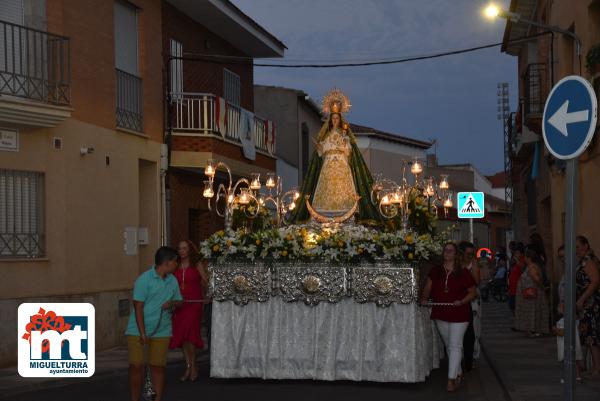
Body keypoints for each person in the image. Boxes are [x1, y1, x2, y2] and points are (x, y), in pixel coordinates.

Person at [290, 88, 381, 224]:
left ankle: (347, 210)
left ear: (340, 119)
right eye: (333, 118)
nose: (335, 120)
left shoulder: (344, 135)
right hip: (327, 166)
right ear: (330, 120)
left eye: (337, 118)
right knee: (325, 188)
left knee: (344, 188)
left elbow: (349, 151)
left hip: (342, 165)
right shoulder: (326, 136)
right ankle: (323, 211)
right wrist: (320, 149)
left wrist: (343, 144)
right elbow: (321, 153)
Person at [126, 246, 183, 401]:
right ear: (168, 262)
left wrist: (172, 303)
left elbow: (179, 301)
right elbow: (138, 307)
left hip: (162, 330)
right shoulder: (144, 280)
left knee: (158, 366)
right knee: (137, 366)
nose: (177, 265)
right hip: (138, 330)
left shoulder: (173, 280)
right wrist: (142, 333)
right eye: (175, 262)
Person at [421, 242, 478, 392]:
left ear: (456, 254)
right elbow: (428, 287)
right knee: (449, 345)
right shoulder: (436, 270)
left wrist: (462, 301)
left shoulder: (463, 272)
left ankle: (451, 379)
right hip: (441, 312)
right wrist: (425, 299)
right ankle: (458, 372)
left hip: (459, 313)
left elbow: (473, 292)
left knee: (455, 344)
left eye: (451, 250)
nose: (447, 252)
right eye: (445, 250)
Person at [170, 240, 208, 382]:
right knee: (183, 337)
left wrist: (207, 295)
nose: (182, 251)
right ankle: (188, 365)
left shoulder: (196, 264)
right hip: (180, 304)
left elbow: (205, 281)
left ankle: (193, 366)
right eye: (180, 249)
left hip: (194, 304)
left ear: (189, 250)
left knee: (191, 334)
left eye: (184, 248)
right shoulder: (175, 265)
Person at [575, 236, 600, 376]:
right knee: (588, 335)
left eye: (578, 247)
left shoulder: (588, 261)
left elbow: (595, 281)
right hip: (587, 304)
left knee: (592, 336)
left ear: (585, 246)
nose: (576, 250)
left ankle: (597, 367)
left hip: (591, 304)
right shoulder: (585, 260)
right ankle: (592, 366)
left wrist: (582, 299)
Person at [514, 245, 550, 337]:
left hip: (533, 295)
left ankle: (536, 331)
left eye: (525, 257)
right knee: (533, 312)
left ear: (528, 258)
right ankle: (533, 330)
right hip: (532, 295)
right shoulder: (531, 266)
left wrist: (542, 287)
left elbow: (536, 278)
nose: (524, 259)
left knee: (534, 312)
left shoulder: (532, 267)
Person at [459, 241, 480, 372]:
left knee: (472, 331)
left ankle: (470, 358)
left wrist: (469, 271)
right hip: (459, 299)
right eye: (467, 254)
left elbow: (477, 282)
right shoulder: (456, 264)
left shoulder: (474, 264)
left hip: (471, 300)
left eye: (472, 254)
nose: (470, 256)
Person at [508, 243, 525, 315]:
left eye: (517, 253)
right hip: (513, 288)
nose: (515, 254)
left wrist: (517, 260)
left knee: (514, 306)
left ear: (521, 253)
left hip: (517, 288)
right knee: (512, 306)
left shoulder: (523, 259)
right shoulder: (516, 260)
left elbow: (523, 268)